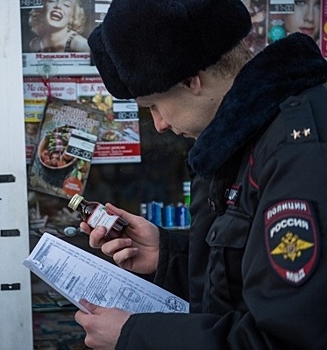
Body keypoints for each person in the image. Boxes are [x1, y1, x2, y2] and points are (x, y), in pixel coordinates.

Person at [74, 0, 327, 349]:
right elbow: (248, 283)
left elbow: (286, 339)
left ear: (192, 79)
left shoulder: (299, 149)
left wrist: (135, 337)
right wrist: (168, 257)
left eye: (154, 105)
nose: (159, 124)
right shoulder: (245, 137)